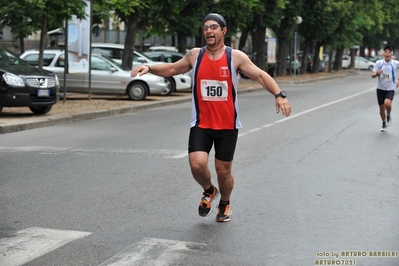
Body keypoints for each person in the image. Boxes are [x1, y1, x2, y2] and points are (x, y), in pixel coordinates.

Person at [131, 13, 291, 222]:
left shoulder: (235, 57)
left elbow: (260, 75)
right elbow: (171, 68)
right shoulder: (195, 55)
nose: (209, 30)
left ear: (223, 31)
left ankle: (224, 203)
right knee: (197, 164)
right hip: (201, 123)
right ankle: (209, 190)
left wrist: (279, 95)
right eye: (206, 27)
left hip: (227, 125)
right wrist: (150, 67)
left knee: (223, 171)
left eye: (214, 27)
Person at [371, 46, 399, 132]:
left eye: (389, 52)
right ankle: (383, 122)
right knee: (381, 108)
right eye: (385, 52)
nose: (387, 53)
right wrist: (377, 73)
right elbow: (372, 75)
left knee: (387, 104)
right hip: (380, 88)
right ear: (383, 54)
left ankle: (389, 114)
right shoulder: (379, 63)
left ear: (391, 54)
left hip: (390, 88)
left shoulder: (395, 63)